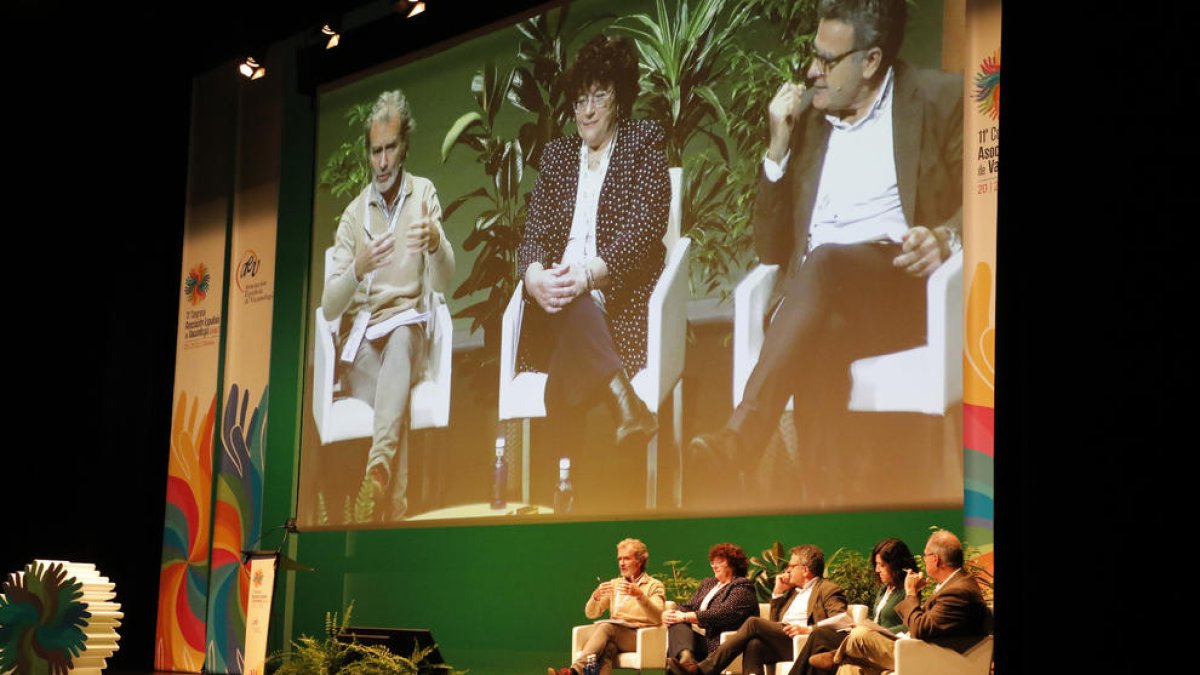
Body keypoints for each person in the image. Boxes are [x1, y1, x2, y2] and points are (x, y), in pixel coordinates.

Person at [689, 0, 963, 478]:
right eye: (813, 56)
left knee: (826, 262)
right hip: (820, 303)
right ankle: (825, 517)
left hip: (898, 290)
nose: (814, 71)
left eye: (828, 61)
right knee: (824, 334)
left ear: (871, 61)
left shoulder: (939, 98)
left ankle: (742, 435)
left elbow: (988, 195)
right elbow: (772, 249)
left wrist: (944, 237)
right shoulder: (810, 123)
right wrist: (777, 144)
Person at [516, 33, 670, 484]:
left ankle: (564, 496)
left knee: (561, 384)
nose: (586, 110)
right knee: (567, 296)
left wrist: (587, 276)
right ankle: (628, 406)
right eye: (580, 99)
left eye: (598, 96)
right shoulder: (558, 156)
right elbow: (533, 235)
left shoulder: (643, 141)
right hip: (557, 308)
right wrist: (534, 277)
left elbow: (645, 231)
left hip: (616, 304)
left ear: (618, 97)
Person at [320, 90, 454, 521]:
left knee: (400, 337)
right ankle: (391, 502)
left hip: (407, 331)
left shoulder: (424, 194)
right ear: (367, 154)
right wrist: (357, 268)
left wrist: (435, 243)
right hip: (362, 345)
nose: (381, 161)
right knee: (391, 400)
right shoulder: (353, 215)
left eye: (390, 149)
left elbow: (446, 280)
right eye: (375, 151)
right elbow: (328, 306)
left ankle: (376, 470)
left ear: (404, 148)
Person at [808, 530, 988, 674]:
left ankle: (836, 657)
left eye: (926, 556)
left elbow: (920, 629)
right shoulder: (953, 584)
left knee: (860, 634)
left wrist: (911, 593)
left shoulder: (958, 591)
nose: (924, 560)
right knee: (850, 669)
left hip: (929, 655)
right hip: (917, 647)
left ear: (936, 559)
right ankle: (843, 659)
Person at [667, 545, 846, 675]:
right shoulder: (792, 593)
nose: (787, 570)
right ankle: (695, 665)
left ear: (805, 570)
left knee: (752, 623)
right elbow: (775, 622)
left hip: (805, 640)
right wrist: (776, 594)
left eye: (791, 567)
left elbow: (841, 621)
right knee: (754, 644)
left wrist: (807, 629)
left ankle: (705, 669)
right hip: (786, 640)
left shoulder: (827, 589)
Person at [787, 538, 913, 675]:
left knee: (820, 635)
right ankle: (840, 656)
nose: (877, 570)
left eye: (882, 565)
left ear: (895, 565)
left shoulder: (909, 590)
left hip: (887, 644)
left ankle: (837, 655)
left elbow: (909, 626)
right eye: (876, 565)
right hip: (869, 639)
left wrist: (877, 630)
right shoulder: (884, 590)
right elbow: (878, 619)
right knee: (846, 666)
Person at [548, 538, 666, 675]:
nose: (621, 563)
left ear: (639, 561)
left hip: (640, 637)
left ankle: (575, 671)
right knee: (607, 647)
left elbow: (658, 618)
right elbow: (591, 613)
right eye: (619, 559)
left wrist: (640, 596)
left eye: (626, 559)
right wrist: (596, 596)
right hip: (615, 634)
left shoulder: (654, 585)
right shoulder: (615, 584)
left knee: (607, 627)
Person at [663, 543, 759, 664]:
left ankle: (686, 664)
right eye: (712, 563)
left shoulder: (742, 586)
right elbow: (688, 606)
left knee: (680, 621)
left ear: (733, 564)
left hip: (721, 642)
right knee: (676, 623)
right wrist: (672, 614)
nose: (714, 566)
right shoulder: (709, 583)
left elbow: (723, 613)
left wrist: (686, 616)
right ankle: (686, 659)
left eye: (719, 562)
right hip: (700, 640)